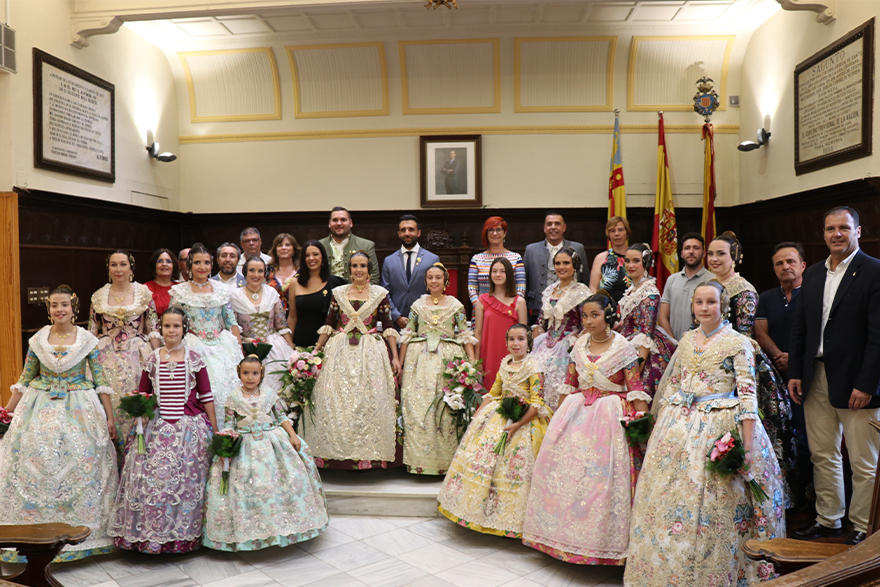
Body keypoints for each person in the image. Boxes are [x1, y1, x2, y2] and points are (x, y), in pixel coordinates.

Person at [625, 280, 786, 586]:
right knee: (669, 499)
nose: (704, 308)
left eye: (711, 302)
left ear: (722, 305)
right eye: (699, 302)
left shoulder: (738, 342)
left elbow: (748, 396)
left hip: (719, 426)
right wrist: (659, 425)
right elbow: (674, 384)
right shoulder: (686, 340)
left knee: (718, 503)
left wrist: (747, 448)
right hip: (679, 425)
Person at [523, 292, 649, 565]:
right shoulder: (579, 345)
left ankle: (599, 544)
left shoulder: (623, 348)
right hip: (576, 411)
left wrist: (643, 424)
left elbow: (635, 387)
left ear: (608, 316)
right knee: (566, 475)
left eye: (595, 315)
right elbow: (569, 383)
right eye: (585, 316)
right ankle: (559, 537)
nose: (589, 321)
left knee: (600, 481)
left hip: (610, 416)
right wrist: (555, 420)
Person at [0, 285, 118, 562]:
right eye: (54, 305)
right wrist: (6, 412)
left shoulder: (87, 340)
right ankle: (31, 531)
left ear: (73, 308)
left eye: (64, 304)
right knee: (34, 460)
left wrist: (110, 417)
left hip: (79, 407)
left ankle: (81, 531)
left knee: (81, 461)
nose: (59, 309)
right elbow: (25, 378)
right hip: (39, 406)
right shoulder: (38, 340)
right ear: (49, 309)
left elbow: (101, 380)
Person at [788, 206, 880, 546]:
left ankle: (863, 527)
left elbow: (878, 336)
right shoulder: (813, 273)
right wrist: (796, 371)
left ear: (858, 231)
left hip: (857, 381)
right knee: (823, 454)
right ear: (824, 233)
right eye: (830, 228)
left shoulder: (874, 271)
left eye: (844, 227)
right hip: (815, 375)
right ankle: (828, 520)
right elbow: (800, 327)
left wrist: (867, 384)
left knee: (864, 461)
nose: (836, 234)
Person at [108, 307, 219, 554]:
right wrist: (140, 416)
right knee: (151, 480)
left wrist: (214, 428)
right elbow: (144, 393)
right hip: (156, 428)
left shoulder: (195, 359)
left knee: (186, 480)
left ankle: (183, 536)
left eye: (176, 326)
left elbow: (206, 396)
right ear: (161, 329)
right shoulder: (152, 359)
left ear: (184, 328)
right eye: (167, 326)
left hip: (189, 428)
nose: (171, 330)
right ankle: (150, 535)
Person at [202, 355, 328, 552]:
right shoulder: (233, 397)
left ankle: (282, 528)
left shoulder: (269, 394)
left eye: (255, 373)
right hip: (245, 443)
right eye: (246, 373)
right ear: (239, 373)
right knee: (248, 483)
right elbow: (229, 423)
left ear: (261, 374)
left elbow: (281, 416)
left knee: (278, 480)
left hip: (271, 441)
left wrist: (293, 435)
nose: (250, 377)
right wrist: (227, 440)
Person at [437, 324, 550, 538]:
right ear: (506, 342)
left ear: (529, 342)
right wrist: (478, 414)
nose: (516, 343)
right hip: (499, 414)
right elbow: (494, 392)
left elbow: (537, 403)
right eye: (511, 339)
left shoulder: (534, 367)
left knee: (515, 465)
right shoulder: (505, 363)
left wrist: (517, 425)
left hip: (525, 418)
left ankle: (514, 519)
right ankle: (477, 512)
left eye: (521, 339)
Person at [708, 232, 797, 497]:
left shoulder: (743, 290)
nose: (714, 259)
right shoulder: (708, 285)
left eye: (721, 253)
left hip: (738, 363)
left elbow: (744, 335)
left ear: (734, 257)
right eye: (710, 254)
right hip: (709, 359)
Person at [304, 252, 401, 469]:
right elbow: (329, 322)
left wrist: (395, 357)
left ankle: (368, 456)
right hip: (340, 350)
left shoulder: (380, 294)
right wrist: (316, 351)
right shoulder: (339, 293)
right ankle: (333, 456)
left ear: (369, 269)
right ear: (349, 270)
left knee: (369, 398)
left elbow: (388, 325)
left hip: (370, 351)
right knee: (335, 398)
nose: (359, 270)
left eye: (362, 266)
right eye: (355, 266)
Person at [399, 263, 477, 475]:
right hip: (419, 361)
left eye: (438, 278)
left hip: (447, 361)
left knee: (445, 408)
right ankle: (418, 462)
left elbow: (464, 334)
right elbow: (408, 334)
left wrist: (472, 363)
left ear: (446, 281)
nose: (434, 281)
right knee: (419, 407)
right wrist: (401, 363)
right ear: (426, 281)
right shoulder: (417, 305)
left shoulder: (455, 305)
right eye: (430, 278)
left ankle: (445, 463)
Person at [756, 242, 810, 508]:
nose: (785, 267)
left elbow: (818, 332)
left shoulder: (812, 294)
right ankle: (790, 497)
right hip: (774, 378)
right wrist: (780, 356)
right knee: (783, 437)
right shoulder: (766, 298)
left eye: (790, 261)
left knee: (807, 438)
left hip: (807, 374)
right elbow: (760, 332)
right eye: (779, 263)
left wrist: (794, 359)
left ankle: (811, 496)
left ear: (803, 265)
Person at [89, 250, 161, 446]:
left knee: (137, 401)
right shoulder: (98, 296)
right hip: (106, 355)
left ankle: (136, 449)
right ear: (108, 269)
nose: (118, 269)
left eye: (123, 264)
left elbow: (153, 328)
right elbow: (92, 330)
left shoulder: (144, 294)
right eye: (114, 265)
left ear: (131, 267)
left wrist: (158, 358)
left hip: (137, 355)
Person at [170, 243, 242, 428]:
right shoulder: (180, 291)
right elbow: (173, 324)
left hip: (222, 346)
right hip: (193, 345)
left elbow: (231, 321)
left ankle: (230, 432)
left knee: (232, 390)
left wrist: (240, 350)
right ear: (189, 265)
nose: (202, 267)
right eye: (197, 263)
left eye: (207, 263)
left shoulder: (221, 289)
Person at [530, 248, 592, 410]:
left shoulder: (581, 291)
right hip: (545, 342)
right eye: (557, 263)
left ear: (575, 265)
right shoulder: (550, 290)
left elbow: (587, 324)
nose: (561, 267)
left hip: (569, 344)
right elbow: (541, 321)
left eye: (566, 263)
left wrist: (579, 347)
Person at [617, 243, 677, 395]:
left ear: (645, 263)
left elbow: (646, 333)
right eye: (627, 261)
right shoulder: (633, 289)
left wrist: (637, 370)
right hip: (625, 343)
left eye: (636, 261)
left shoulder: (649, 292)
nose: (630, 265)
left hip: (642, 350)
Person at [231, 256, 295, 393]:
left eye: (260, 271)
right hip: (245, 346)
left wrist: (292, 349)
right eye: (252, 270)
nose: (256, 274)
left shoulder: (272, 293)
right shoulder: (235, 295)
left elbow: (281, 324)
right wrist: (240, 347)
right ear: (245, 272)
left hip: (273, 345)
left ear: (265, 273)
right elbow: (233, 326)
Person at [523, 211, 589, 326]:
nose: (553, 227)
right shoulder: (531, 250)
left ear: (564, 227)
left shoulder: (577, 248)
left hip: (570, 312)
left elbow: (584, 278)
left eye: (557, 224)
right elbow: (525, 283)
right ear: (544, 228)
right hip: (537, 310)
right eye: (549, 224)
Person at [474, 257, 527, 390]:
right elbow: (478, 333)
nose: (498, 275)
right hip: (488, 354)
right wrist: (477, 360)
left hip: (511, 355)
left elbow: (524, 335)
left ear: (509, 274)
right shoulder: (481, 301)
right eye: (494, 271)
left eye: (502, 271)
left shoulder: (519, 302)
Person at [381, 214, 440, 330]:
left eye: (411, 229)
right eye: (403, 230)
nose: (407, 233)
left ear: (419, 233)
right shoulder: (389, 261)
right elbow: (384, 293)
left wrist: (421, 316)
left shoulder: (432, 259)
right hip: (396, 325)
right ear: (399, 234)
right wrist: (397, 316)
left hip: (424, 322)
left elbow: (435, 291)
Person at [288, 240, 346, 349]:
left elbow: (340, 319)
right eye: (307, 255)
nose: (311, 258)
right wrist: (289, 345)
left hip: (327, 345)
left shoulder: (335, 283)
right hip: (300, 345)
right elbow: (292, 317)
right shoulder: (295, 283)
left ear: (322, 257)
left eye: (315, 254)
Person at [658, 232, 715, 340]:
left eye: (696, 248)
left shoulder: (713, 280)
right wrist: (674, 343)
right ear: (682, 254)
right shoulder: (672, 280)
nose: (691, 251)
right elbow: (662, 317)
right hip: (674, 345)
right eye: (687, 248)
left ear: (704, 254)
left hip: (704, 344)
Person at [467, 216, 526, 308]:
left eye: (498, 230)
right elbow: (472, 289)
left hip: (509, 310)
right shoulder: (476, 259)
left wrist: (509, 308)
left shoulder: (516, 258)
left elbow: (521, 288)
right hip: (483, 310)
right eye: (491, 230)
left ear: (504, 233)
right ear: (486, 233)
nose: (495, 233)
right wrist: (483, 308)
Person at [319, 207, 380, 284]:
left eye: (343, 220)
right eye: (335, 220)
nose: (339, 223)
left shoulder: (366, 246)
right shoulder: (319, 246)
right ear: (329, 223)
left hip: (357, 291)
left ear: (351, 223)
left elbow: (374, 277)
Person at [589, 216, 631, 303]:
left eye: (620, 230)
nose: (616, 234)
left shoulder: (635, 256)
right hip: (606, 307)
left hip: (631, 306)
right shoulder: (600, 258)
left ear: (627, 233)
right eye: (612, 231)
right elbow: (593, 288)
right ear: (608, 234)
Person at [267, 232, 301, 317]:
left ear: (294, 249)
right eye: (280, 245)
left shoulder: (302, 271)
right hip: (271, 315)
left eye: (287, 245)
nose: (283, 248)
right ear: (275, 250)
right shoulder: (267, 270)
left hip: (297, 315)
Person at [145, 248, 180, 316]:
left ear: (174, 265)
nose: (164, 264)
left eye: (168, 261)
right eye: (160, 261)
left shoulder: (181, 288)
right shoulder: (145, 288)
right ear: (154, 265)